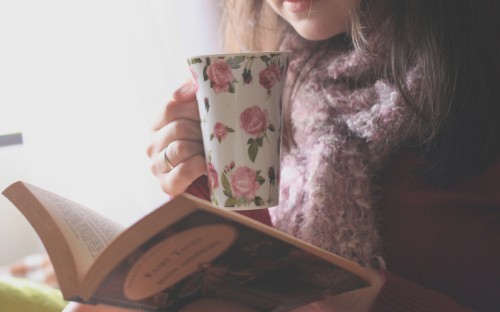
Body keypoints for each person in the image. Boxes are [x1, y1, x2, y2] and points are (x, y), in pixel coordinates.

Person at [64, 0, 500, 311]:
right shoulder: (290, 77)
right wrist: (205, 173)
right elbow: (263, 270)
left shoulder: (479, 86)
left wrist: (362, 297)